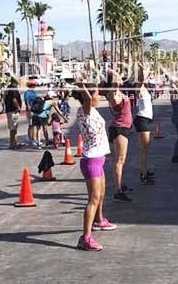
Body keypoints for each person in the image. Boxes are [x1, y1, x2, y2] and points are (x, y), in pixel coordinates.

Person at [73, 83, 116, 251]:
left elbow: (90, 98)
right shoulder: (86, 110)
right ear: (88, 97)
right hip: (91, 161)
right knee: (93, 199)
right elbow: (89, 98)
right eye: (97, 93)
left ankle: (99, 220)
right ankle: (86, 238)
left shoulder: (91, 110)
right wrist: (82, 85)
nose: (100, 96)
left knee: (102, 193)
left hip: (98, 159)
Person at [106, 71, 134, 202]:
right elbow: (113, 89)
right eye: (117, 77)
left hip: (123, 128)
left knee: (121, 160)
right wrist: (113, 76)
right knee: (119, 160)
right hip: (119, 128)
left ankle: (120, 184)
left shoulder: (119, 92)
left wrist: (115, 73)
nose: (121, 78)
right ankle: (118, 191)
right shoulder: (113, 94)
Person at [133, 63, 156, 185]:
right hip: (142, 120)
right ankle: (143, 174)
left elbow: (143, 79)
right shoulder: (139, 88)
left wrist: (147, 69)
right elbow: (141, 79)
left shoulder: (145, 89)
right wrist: (143, 70)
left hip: (145, 120)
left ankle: (144, 171)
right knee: (144, 149)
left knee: (145, 149)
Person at [1, 79, 23, 149]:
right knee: (13, 128)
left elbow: (4, 98)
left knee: (14, 128)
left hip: (9, 110)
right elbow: (14, 99)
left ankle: (14, 143)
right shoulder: (13, 88)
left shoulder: (8, 88)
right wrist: (18, 107)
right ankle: (12, 144)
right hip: (13, 110)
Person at [23, 83, 39, 148]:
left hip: (34, 109)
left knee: (33, 125)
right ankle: (30, 139)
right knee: (30, 124)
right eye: (34, 85)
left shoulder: (34, 92)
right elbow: (26, 100)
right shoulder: (27, 92)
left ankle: (33, 138)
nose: (35, 86)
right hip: (30, 110)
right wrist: (28, 106)